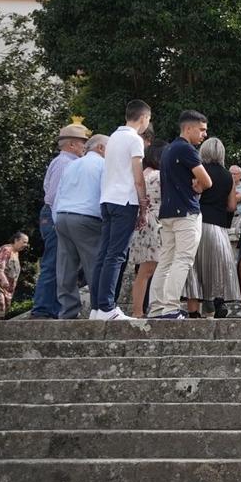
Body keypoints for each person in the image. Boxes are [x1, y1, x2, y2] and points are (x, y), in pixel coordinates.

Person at [91, 99, 150, 322]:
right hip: (125, 200)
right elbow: (137, 174)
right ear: (144, 117)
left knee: (104, 254)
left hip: (107, 199)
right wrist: (143, 204)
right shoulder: (134, 139)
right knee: (117, 254)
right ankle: (107, 307)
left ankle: (98, 307)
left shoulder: (113, 137)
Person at [148, 111, 211, 319]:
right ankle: (171, 307)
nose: (204, 134)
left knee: (165, 260)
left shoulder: (167, 150)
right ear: (189, 128)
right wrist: (199, 187)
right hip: (186, 212)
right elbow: (207, 182)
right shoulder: (187, 149)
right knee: (183, 260)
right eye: (202, 130)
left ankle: (157, 308)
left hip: (167, 213)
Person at [30, 123, 89, 319]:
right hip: (55, 214)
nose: (84, 146)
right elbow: (55, 195)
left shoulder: (65, 162)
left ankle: (52, 307)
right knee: (53, 262)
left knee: (61, 262)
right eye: (82, 142)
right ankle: (43, 308)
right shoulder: (65, 163)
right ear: (72, 144)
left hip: (56, 214)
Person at [52, 133, 107, 320]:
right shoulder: (102, 165)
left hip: (62, 216)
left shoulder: (71, 164)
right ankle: (99, 308)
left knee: (66, 266)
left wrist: (56, 218)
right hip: (87, 217)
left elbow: (58, 193)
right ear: (100, 148)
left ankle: (67, 310)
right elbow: (105, 193)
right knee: (93, 264)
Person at [194, 136, 240, 317]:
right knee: (218, 266)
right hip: (219, 226)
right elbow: (232, 206)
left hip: (198, 221)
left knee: (195, 267)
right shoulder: (228, 175)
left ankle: (193, 311)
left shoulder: (199, 171)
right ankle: (219, 302)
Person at [123, 144, 161, 319]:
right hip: (156, 224)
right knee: (150, 270)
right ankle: (141, 310)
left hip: (141, 223)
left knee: (143, 271)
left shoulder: (141, 174)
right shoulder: (158, 176)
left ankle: (138, 310)